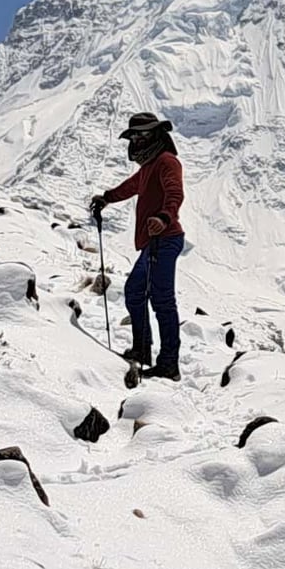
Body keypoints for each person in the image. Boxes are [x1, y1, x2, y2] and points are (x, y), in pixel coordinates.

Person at [89, 111, 188, 380]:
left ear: (156, 135)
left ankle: (169, 364)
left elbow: (175, 193)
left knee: (162, 300)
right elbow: (130, 187)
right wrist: (106, 198)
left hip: (165, 239)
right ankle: (142, 350)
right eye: (134, 136)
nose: (137, 140)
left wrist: (164, 216)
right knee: (135, 291)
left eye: (143, 135)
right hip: (153, 243)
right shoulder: (148, 168)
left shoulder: (167, 162)